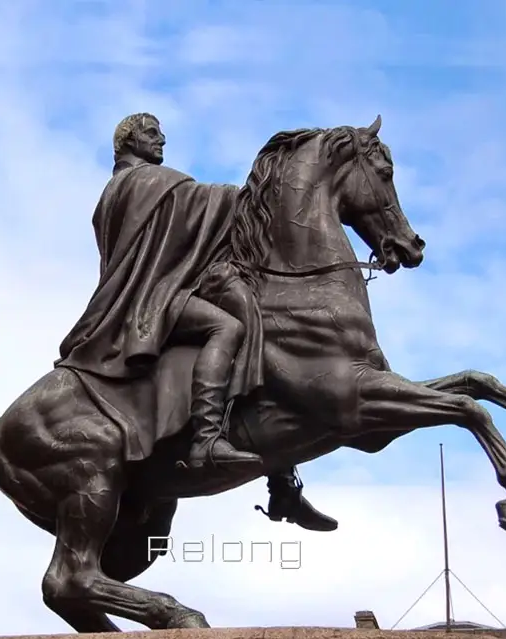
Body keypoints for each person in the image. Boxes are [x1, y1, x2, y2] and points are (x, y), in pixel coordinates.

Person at [57, 112, 337, 532]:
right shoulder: (141, 182)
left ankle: (282, 481)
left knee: (255, 318)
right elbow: (198, 207)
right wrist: (258, 194)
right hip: (150, 302)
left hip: (163, 291)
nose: (161, 140)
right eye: (152, 134)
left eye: (161, 134)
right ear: (127, 142)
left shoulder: (128, 190)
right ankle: (208, 438)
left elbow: (178, 232)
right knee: (229, 327)